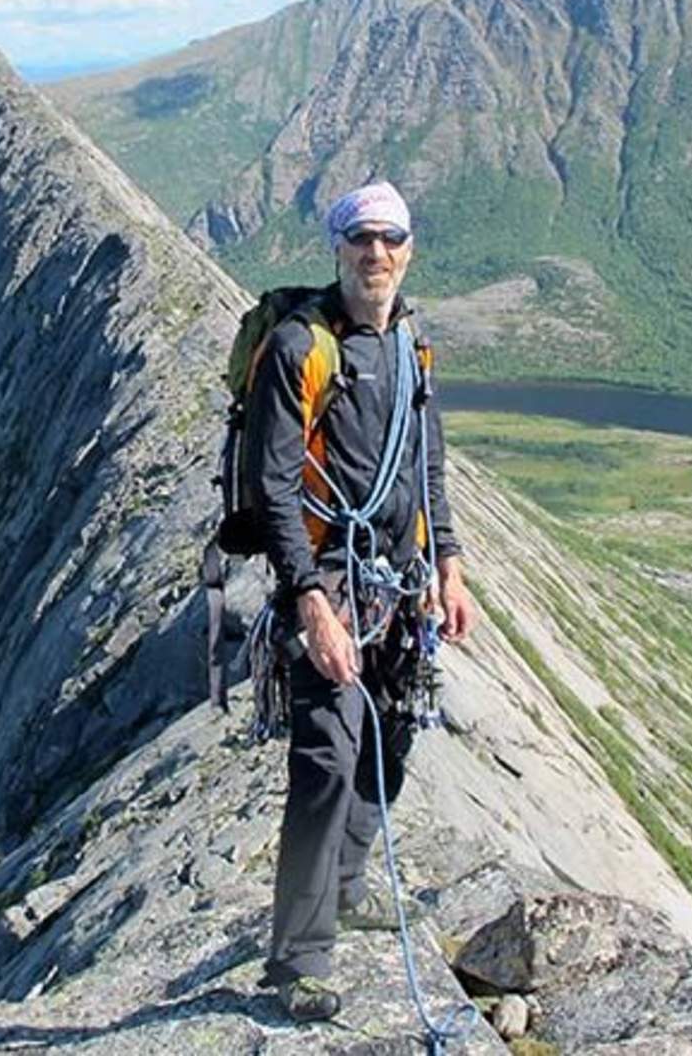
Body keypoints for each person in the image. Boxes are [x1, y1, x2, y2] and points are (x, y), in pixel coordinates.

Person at [246, 181, 478, 1022]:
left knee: (395, 737)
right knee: (327, 756)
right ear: (336, 248)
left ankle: (345, 886)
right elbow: (272, 486)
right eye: (360, 240)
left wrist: (448, 562)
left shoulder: (413, 343)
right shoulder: (300, 348)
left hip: (402, 580)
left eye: (390, 240)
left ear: (408, 249)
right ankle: (297, 958)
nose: (375, 254)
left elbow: (429, 466)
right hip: (331, 580)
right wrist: (309, 603)